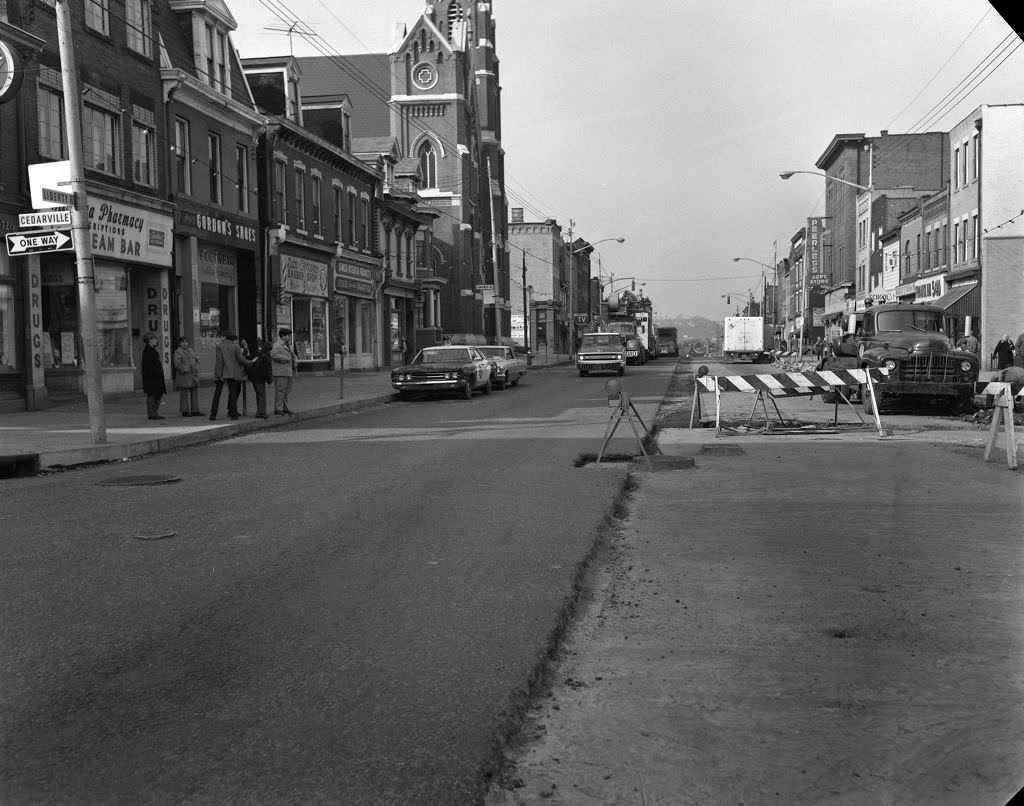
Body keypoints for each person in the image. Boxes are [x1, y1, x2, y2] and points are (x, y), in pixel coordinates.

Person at [212, 330, 252, 420]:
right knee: (233, 393)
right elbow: (241, 359)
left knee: (217, 394)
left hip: (222, 373)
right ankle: (233, 414)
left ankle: (213, 414)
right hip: (233, 373)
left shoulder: (219, 346)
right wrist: (250, 363)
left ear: (225, 337)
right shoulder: (236, 346)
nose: (221, 338)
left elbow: (219, 362)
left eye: (222, 336)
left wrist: (218, 374)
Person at [271, 327, 298, 414]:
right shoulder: (277, 345)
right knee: (280, 390)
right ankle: (278, 408)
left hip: (288, 371)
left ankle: (284, 406)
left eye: (290, 335)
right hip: (280, 371)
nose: (289, 337)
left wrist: (295, 360)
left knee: (287, 390)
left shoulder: (288, 345)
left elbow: (293, 355)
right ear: (282, 336)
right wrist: (285, 358)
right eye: (288, 335)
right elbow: (273, 355)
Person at [172, 336, 201, 416]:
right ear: (179, 343)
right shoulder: (178, 352)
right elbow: (177, 364)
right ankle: (184, 410)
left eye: (186, 342)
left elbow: (196, 359)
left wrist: (197, 365)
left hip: (193, 374)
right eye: (183, 342)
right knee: (184, 393)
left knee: (194, 392)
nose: (185, 344)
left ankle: (195, 410)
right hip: (184, 375)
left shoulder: (191, 350)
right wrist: (185, 369)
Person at [141, 332, 166, 420]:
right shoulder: (148, 351)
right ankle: (152, 413)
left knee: (157, 395)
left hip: (156, 377)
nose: (157, 340)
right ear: (150, 340)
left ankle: (154, 412)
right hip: (152, 378)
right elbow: (150, 366)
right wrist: (156, 373)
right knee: (152, 396)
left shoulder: (152, 351)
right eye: (155, 339)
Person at [247, 339, 273, 418]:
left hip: (253, 376)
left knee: (258, 394)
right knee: (262, 394)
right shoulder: (267, 357)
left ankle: (259, 411)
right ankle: (261, 412)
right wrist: (269, 381)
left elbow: (249, 359)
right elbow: (267, 370)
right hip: (260, 377)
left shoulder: (257, 353)